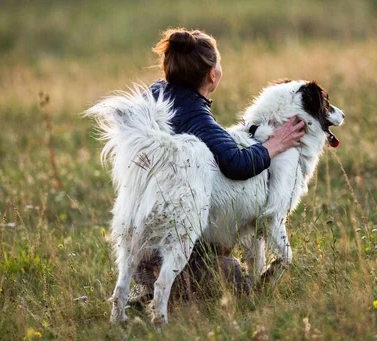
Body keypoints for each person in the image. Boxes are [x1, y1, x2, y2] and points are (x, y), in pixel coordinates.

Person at [129, 28, 305, 305]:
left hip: (140, 233)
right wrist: (274, 145)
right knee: (235, 283)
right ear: (212, 75)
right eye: (218, 63)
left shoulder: (155, 93)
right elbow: (236, 163)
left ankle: (149, 288)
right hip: (171, 245)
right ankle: (170, 293)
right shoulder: (198, 119)